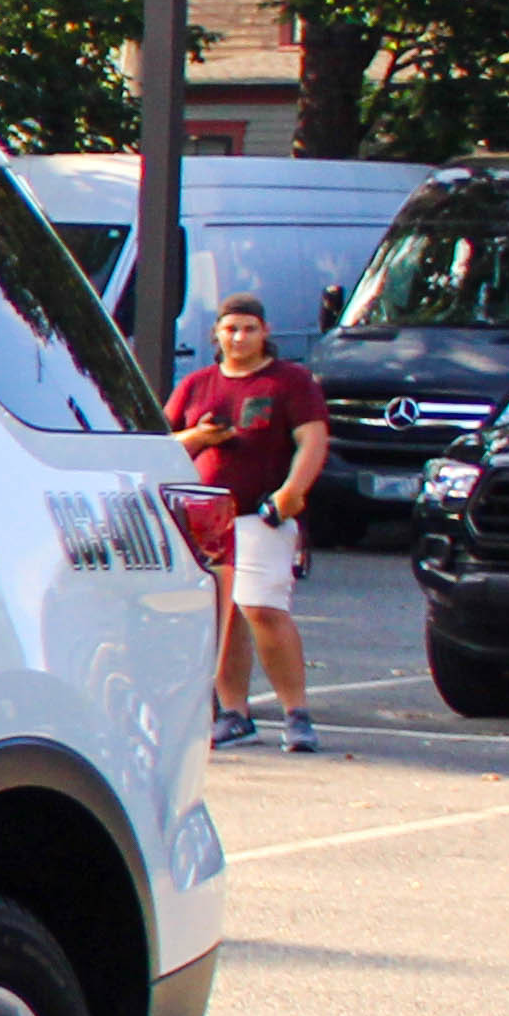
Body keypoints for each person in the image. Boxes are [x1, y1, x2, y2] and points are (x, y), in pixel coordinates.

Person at [165, 293, 332, 751]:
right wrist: (198, 435)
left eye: (249, 329)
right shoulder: (197, 385)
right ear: (216, 334)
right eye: (231, 329)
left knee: (262, 609)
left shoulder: (289, 382)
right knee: (223, 618)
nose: (239, 337)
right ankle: (234, 713)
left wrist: (291, 492)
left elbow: (312, 439)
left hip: (261, 515)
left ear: (265, 333)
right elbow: (161, 445)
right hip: (207, 521)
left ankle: (296, 714)